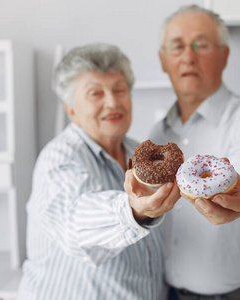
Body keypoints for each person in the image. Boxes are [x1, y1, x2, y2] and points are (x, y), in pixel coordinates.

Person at [136, 4, 240, 299]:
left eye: (201, 45)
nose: (188, 56)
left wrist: (238, 188)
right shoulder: (157, 136)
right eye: (177, 46)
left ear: (224, 55)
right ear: (162, 60)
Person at [17, 43, 181, 300]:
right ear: (71, 110)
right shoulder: (59, 158)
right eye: (95, 94)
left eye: (119, 89)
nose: (113, 102)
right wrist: (134, 211)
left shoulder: (138, 154)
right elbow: (75, 223)